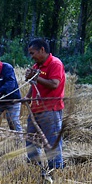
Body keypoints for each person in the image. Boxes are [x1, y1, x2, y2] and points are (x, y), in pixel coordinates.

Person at [24, 38, 65, 171]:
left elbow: (54, 84)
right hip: (35, 109)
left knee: (51, 142)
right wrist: (27, 97)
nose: (32, 57)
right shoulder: (37, 67)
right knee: (31, 139)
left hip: (50, 110)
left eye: (32, 53)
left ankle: (56, 169)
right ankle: (34, 168)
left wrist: (35, 77)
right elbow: (34, 84)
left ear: (42, 50)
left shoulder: (55, 64)